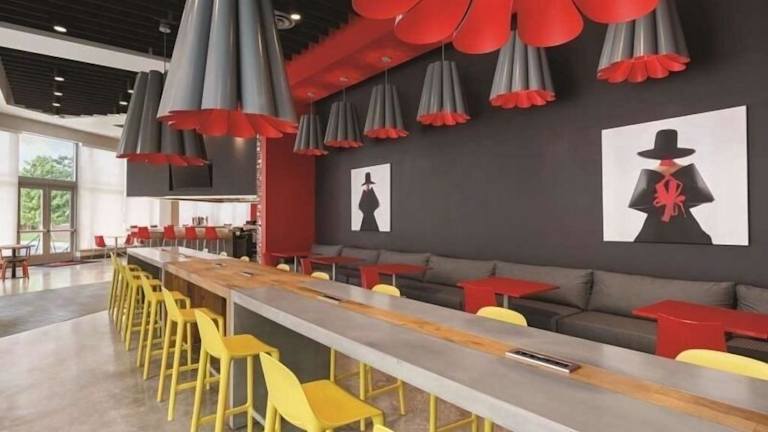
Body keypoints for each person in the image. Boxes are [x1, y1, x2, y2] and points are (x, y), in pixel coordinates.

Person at [628, 129, 714, 244]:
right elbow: (642, 199)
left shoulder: (686, 171)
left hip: (681, 220)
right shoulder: (649, 173)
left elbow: (697, 194)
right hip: (657, 223)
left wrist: (676, 200)